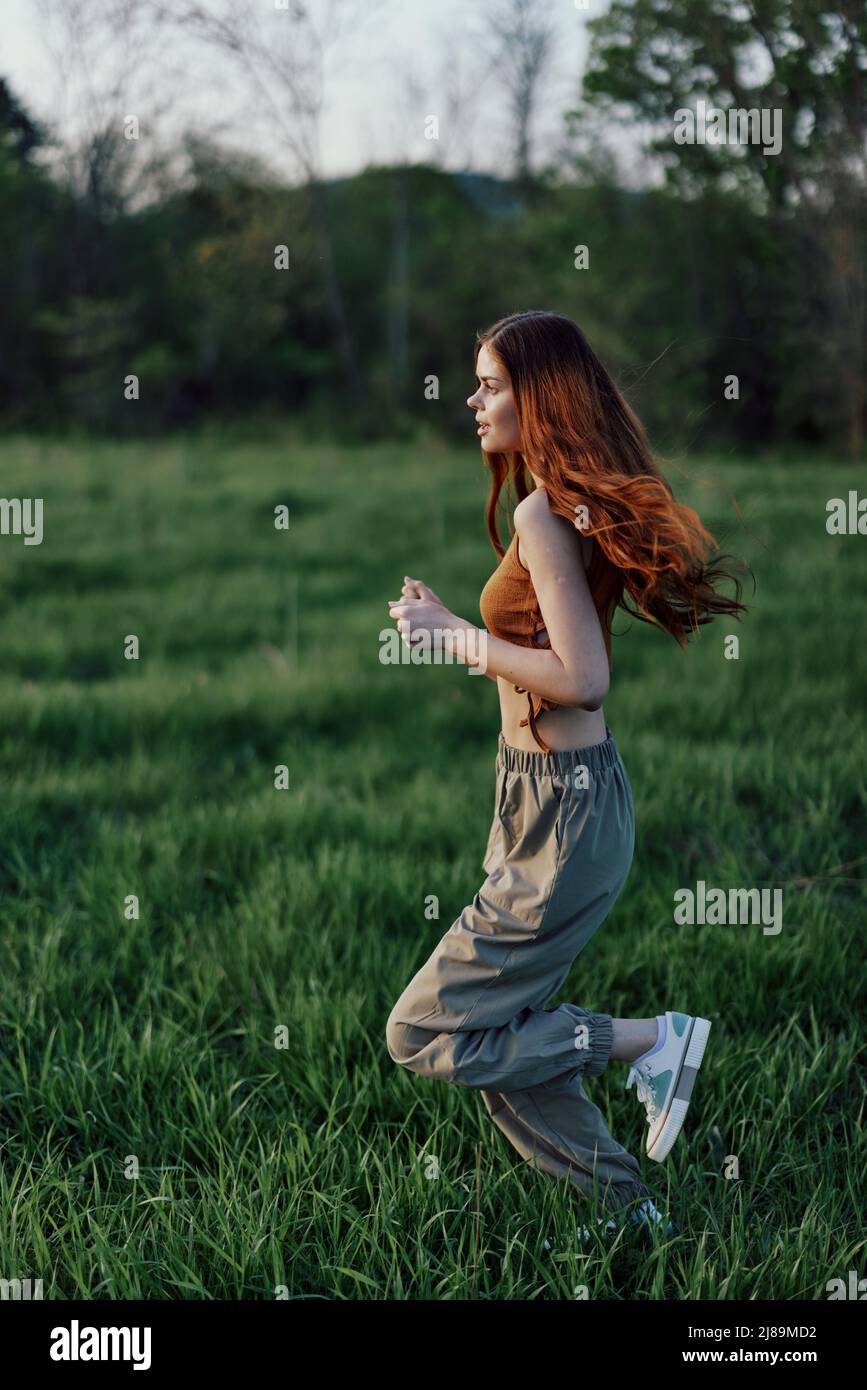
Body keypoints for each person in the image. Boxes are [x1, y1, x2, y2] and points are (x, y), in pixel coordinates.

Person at [385, 310, 747, 1234]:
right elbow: (543, 646)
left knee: (426, 1031)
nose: (472, 400)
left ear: (537, 394)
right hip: (542, 799)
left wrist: (457, 639)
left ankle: (650, 1041)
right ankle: (627, 1217)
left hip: (565, 811)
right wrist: (457, 626)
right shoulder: (555, 502)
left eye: (491, 384)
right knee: (504, 1035)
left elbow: (583, 678)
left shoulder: (547, 514)